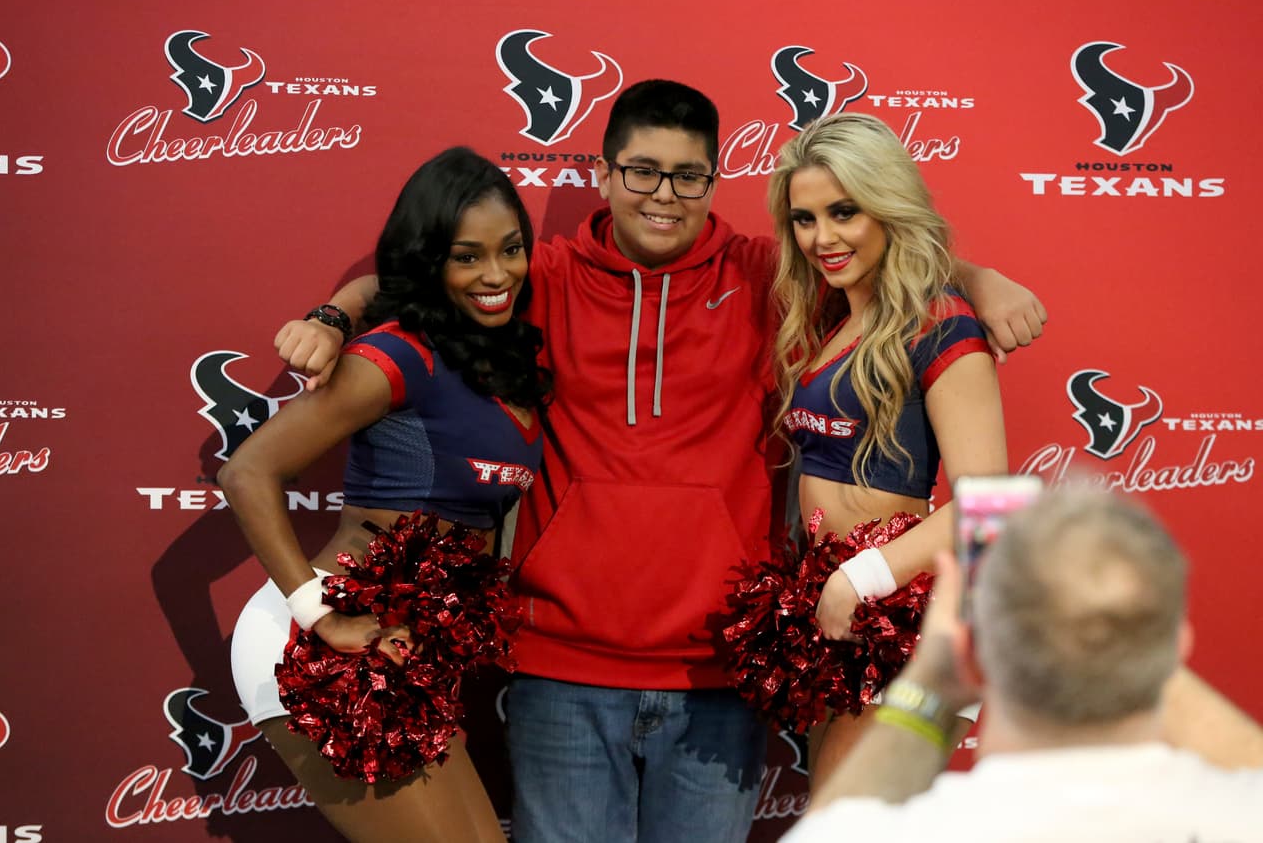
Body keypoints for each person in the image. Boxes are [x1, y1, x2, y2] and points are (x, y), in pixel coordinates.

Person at [273, 81, 1046, 843]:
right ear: (604, 174)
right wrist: (334, 315)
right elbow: (417, 276)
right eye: (641, 171)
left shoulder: (769, 277)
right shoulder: (540, 277)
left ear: (714, 180)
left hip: (722, 672)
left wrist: (979, 280)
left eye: (688, 175)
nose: (663, 194)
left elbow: (897, 267)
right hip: (560, 667)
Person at [219, 147, 551, 842]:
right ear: (431, 261)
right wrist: (321, 617)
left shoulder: (492, 349)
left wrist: (338, 309)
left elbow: (375, 285)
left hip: (406, 656)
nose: (497, 274)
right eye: (467, 257)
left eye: (511, 248)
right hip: (322, 648)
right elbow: (246, 472)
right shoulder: (397, 355)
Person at [785, 487, 1263, 842]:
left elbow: (832, 822)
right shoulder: (1241, 816)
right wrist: (1135, 647)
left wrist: (933, 681)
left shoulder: (894, 831)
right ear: (1176, 649)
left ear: (974, 645)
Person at [758, 112, 1005, 790]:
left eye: (844, 211)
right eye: (805, 219)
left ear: (887, 204)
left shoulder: (939, 320)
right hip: (849, 621)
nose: (822, 237)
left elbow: (991, 507)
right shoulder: (837, 321)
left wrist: (861, 578)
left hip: (912, 618)